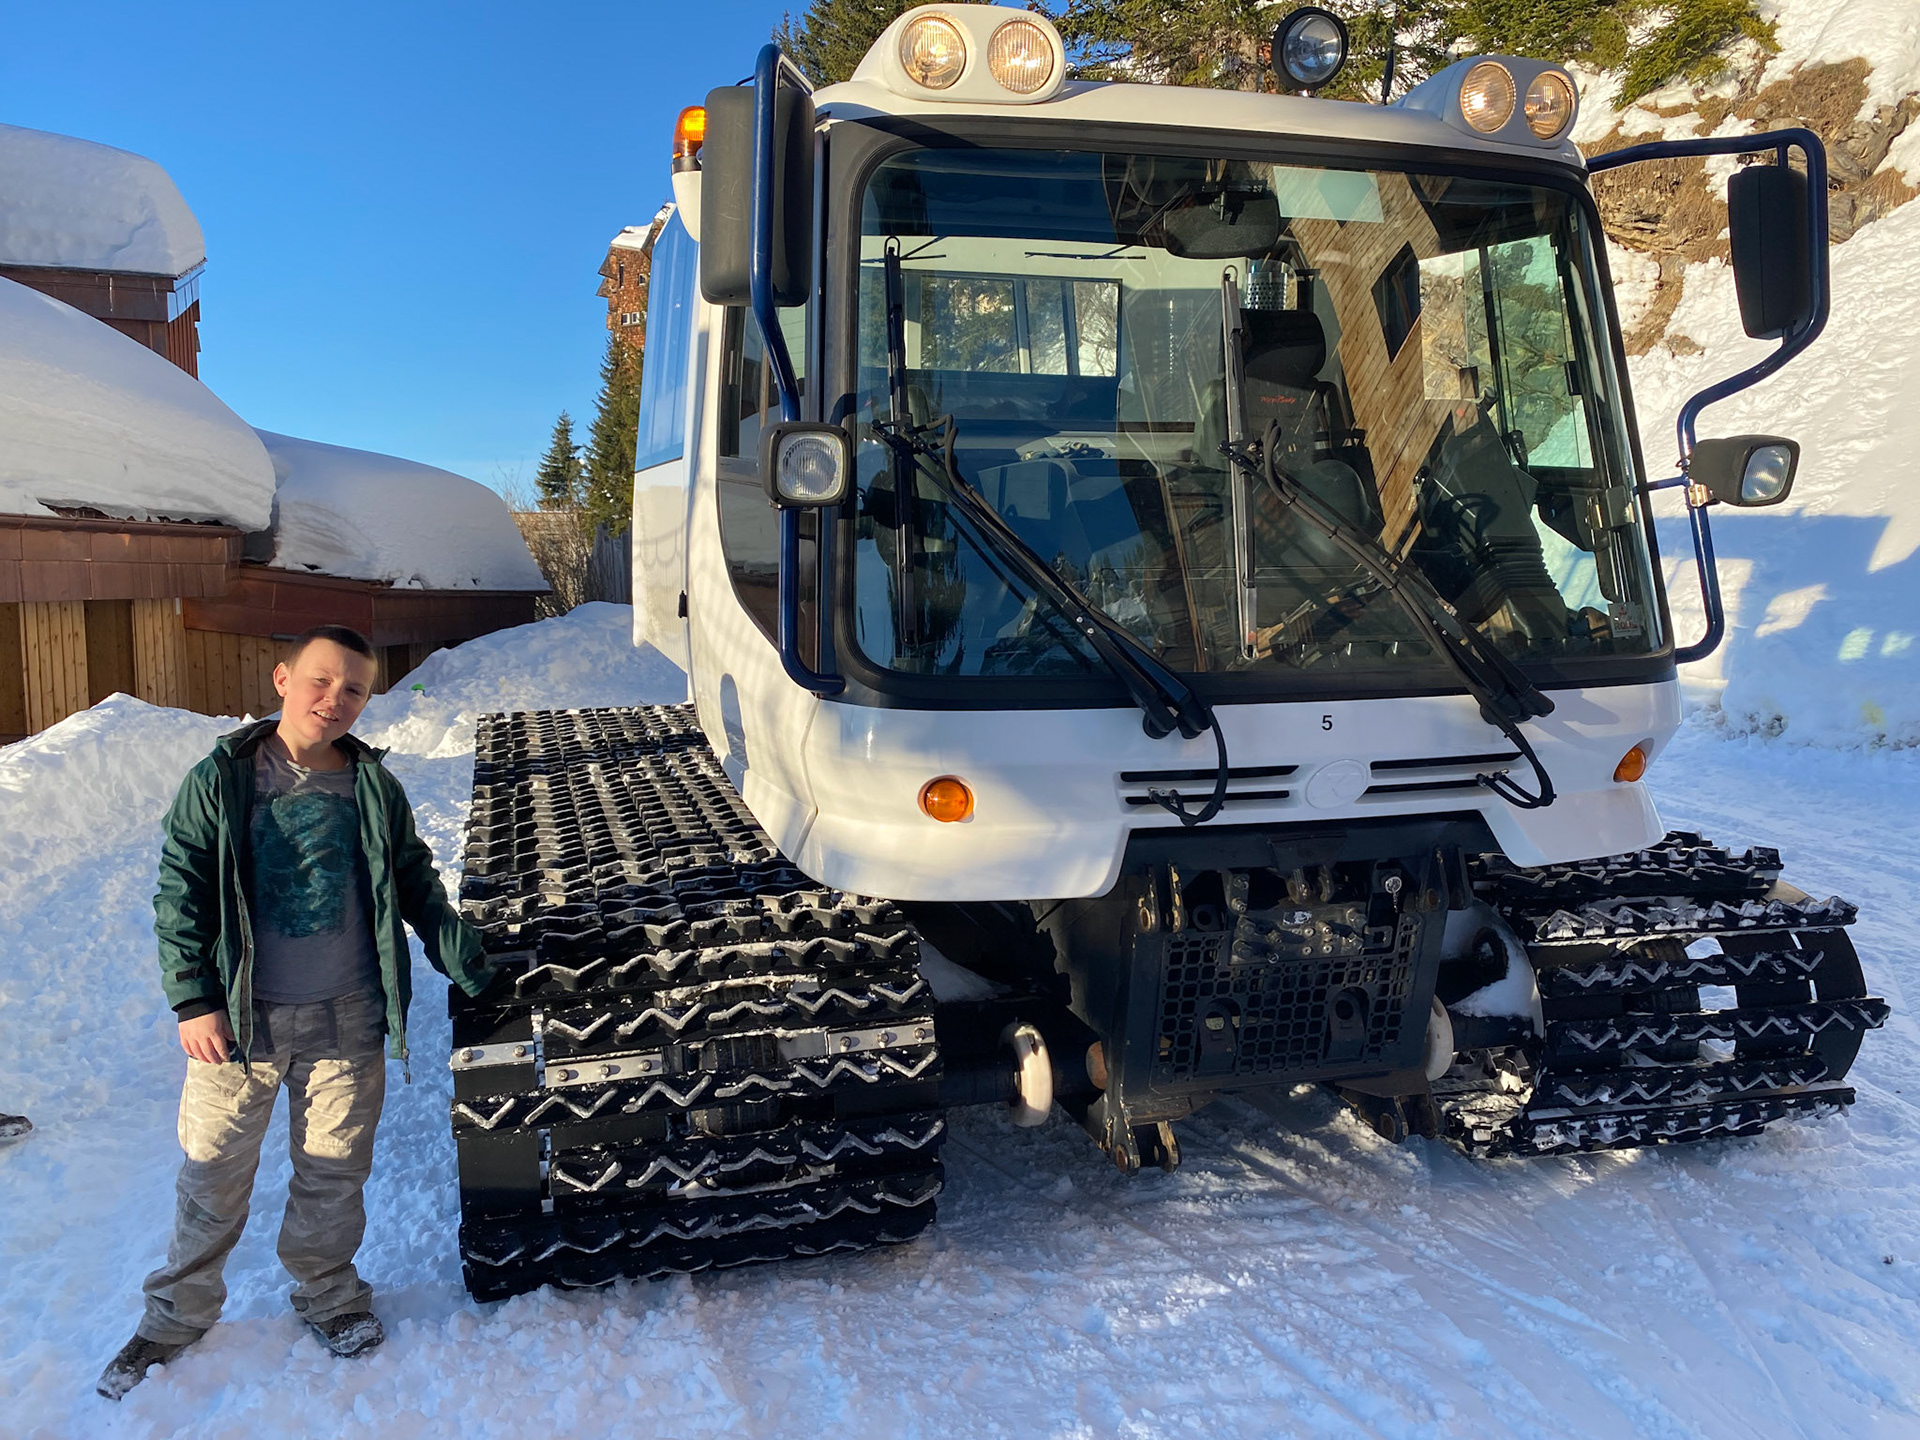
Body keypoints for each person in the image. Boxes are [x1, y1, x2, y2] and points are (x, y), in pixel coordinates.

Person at [97, 624, 493, 1401]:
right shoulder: (222, 781)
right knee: (212, 1176)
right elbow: (181, 890)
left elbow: (415, 882)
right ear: (282, 679)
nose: (334, 698)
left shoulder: (373, 787)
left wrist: (467, 960)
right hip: (241, 1023)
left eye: (354, 689)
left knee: (334, 1174)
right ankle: (175, 1315)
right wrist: (194, 999)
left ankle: (329, 1294)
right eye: (320, 679)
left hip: (348, 1016)